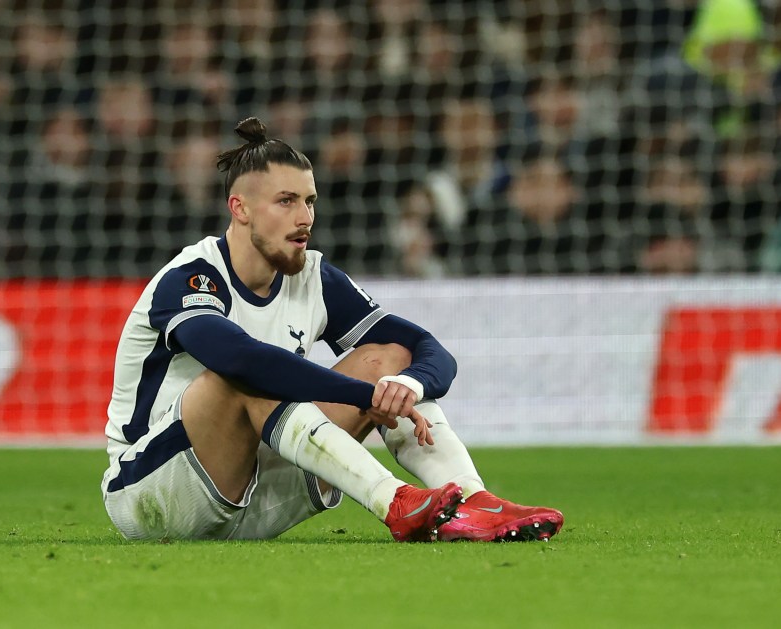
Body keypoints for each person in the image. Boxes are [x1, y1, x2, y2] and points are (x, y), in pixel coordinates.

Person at [100, 118, 563, 543]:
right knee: (247, 376)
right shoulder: (192, 278)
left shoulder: (314, 278)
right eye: (286, 201)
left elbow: (424, 347)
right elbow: (243, 361)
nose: (305, 218)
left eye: (309, 201)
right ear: (239, 209)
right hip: (153, 494)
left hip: (259, 497)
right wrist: (366, 398)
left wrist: (404, 385)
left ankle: (471, 499)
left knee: (386, 359)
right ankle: (394, 500)